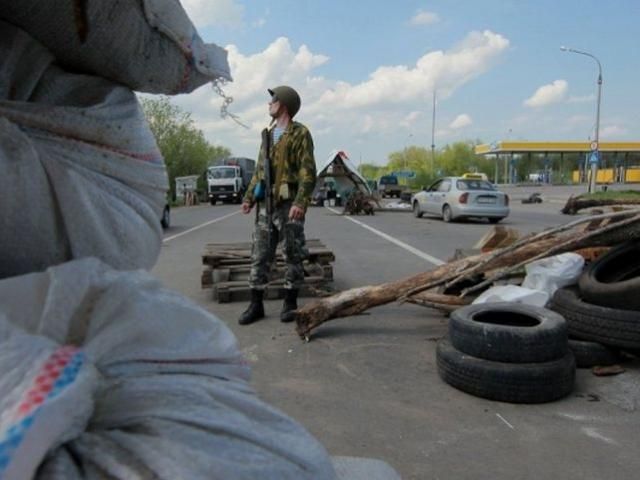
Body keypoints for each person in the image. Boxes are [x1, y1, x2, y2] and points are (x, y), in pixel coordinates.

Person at [239, 86, 317, 325]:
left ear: (282, 104)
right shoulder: (267, 134)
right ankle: (256, 304)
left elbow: (308, 171)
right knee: (259, 254)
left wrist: (301, 202)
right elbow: (259, 172)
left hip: (288, 205)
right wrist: (249, 197)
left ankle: (290, 302)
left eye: (272, 100)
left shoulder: (299, 133)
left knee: (292, 254)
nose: (269, 104)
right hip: (266, 206)